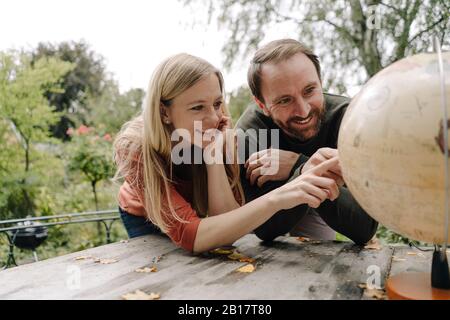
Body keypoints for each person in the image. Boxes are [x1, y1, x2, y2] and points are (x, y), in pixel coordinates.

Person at [114, 53, 341, 253]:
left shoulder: (220, 135)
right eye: (197, 107)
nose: (213, 118)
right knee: (161, 271)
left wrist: (212, 158)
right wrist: (279, 198)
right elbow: (192, 235)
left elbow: (226, 239)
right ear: (164, 112)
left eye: (217, 104)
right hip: (143, 216)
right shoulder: (134, 147)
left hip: (193, 218)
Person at [236, 39, 378, 244]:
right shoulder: (251, 130)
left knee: (315, 253)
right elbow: (265, 230)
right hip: (269, 204)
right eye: (284, 100)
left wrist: (300, 165)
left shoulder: (349, 120)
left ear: (320, 82)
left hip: (322, 206)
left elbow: (365, 228)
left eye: (309, 90)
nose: (303, 111)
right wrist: (308, 170)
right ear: (262, 104)